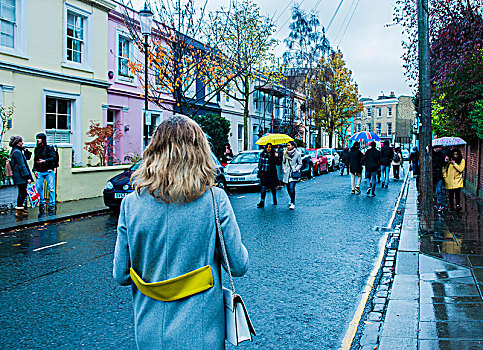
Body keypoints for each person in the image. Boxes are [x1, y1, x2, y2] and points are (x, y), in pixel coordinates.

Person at [113, 116, 249, 349]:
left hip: (149, 334)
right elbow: (238, 265)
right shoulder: (215, 200)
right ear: (199, 152)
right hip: (202, 333)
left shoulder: (130, 204)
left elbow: (121, 275)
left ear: (153, 151)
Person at [33, 133, 58, 215]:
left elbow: (54, 157)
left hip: (49, 171)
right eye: (37, 138)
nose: (38, 140)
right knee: (38, 187)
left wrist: (45, 161)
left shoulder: (49, 148)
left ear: (43, 139)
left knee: (51, 188)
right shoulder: (36, 149)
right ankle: (42, 202)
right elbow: (35, 160)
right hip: (39, 171)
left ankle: (52, 204)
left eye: (39, 138)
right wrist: (35, 170)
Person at [9, 136, 33, 218]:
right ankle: (19, 211)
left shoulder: (14, 151)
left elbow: (27, 158)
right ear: (17, 142)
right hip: (20, 175)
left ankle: (21, 209)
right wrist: (27, 177)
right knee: (22, 192)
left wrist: (25, 151)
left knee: (22, 192)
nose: (22, 143)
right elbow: (22, 165)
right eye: (20, 141)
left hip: (17, 174)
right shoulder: (17, 152)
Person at [257, 143, 280, 207]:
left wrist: (276, 157)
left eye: (270, 147)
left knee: (272, 187)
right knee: (263, 187)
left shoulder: (274, 154)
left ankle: (274, 199)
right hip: (264, 173)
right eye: (267, 147)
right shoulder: (262, 154)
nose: (268, 148)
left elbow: (278, 163)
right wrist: (259, 172)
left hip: (271, 173)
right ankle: (262, 201)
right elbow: (260, 164)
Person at [282, 141, 302, 210]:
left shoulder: (297, 154)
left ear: (293, 146)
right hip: (287, 173)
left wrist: (296, 169)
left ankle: (293, 203)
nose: (288, 146)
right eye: (287, 145)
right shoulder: (285, 153)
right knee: (288, 188)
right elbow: (283, 162)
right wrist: (284, 169)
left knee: (291, 187)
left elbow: (300, 163)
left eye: (289, 145)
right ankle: (291, 199)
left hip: (293, 173)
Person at [432, 145, 445, 211]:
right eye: (440, 147)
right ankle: (432, 202)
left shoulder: (441, 154)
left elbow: (443, 164)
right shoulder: (430, 153)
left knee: (439, 190)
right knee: (431, 190)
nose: (441, 148)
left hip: (439, 175)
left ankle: (439, 203)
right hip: (431, 175)